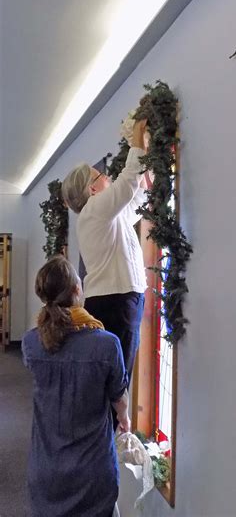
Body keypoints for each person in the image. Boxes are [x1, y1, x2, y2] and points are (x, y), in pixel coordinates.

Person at [22, 255, 130, 517]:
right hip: (92, 473)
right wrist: (124, 418)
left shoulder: (30, 343)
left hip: (45, 470)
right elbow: (120, 400)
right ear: (77, 291)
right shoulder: (106, 344)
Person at [61, 119, 149, 428]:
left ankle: (107, 434)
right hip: (116, 301)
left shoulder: (105, 213)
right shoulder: (95, 209)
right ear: (92, 188)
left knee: (116, 376)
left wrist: (146, 164)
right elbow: (127, 184)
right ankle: (109, 437)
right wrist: (138, 137)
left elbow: (137, 199)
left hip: (118, 300)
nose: (107, 177)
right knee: (117, 379)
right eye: (102, 175)